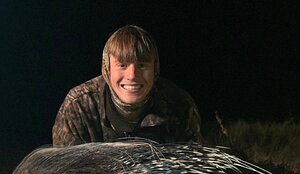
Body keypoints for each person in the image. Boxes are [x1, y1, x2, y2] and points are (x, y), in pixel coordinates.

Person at [52, 25, 203, 147]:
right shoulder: (78, 107)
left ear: (155, 70)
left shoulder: (180, 106)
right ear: (107, 70)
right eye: (122, 65)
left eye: (142, 66)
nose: (132, 75)